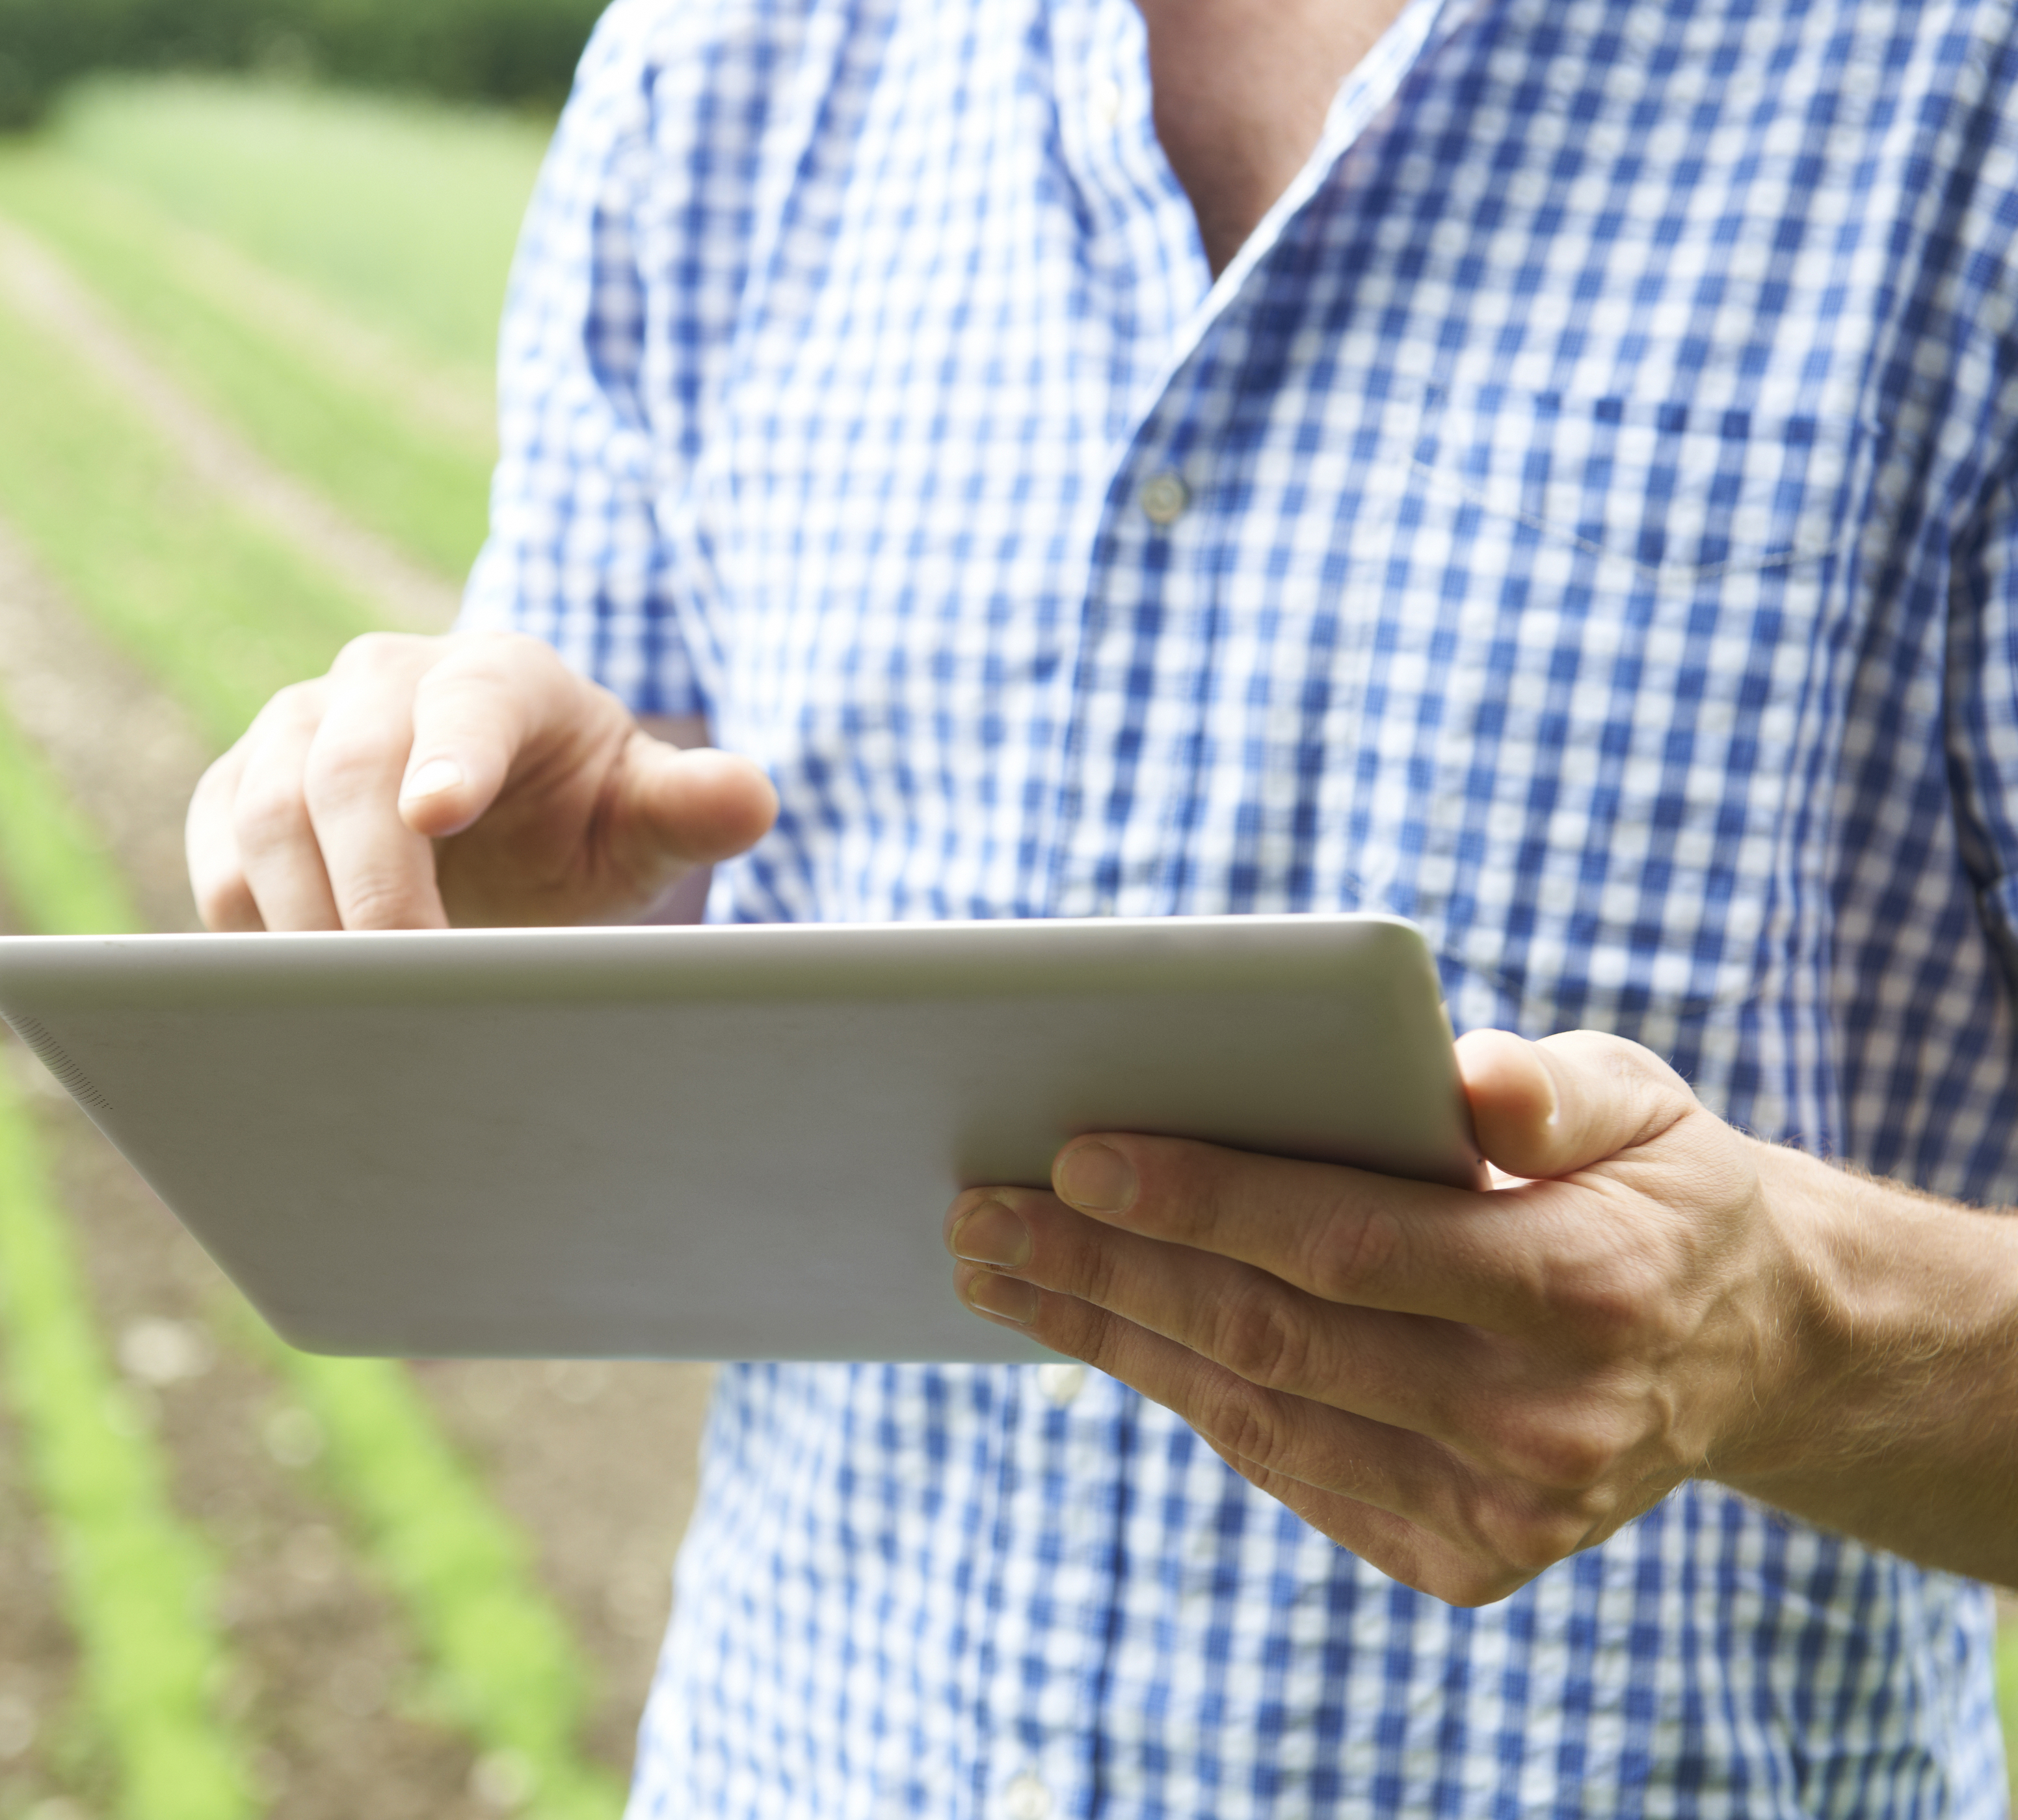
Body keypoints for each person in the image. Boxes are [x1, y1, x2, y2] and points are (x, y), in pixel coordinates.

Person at [186, 0, 2018, 1812]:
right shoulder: (720, 55)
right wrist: (481, 889)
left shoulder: (1958, 86)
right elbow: (615, 858)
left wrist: (1793, 1333)